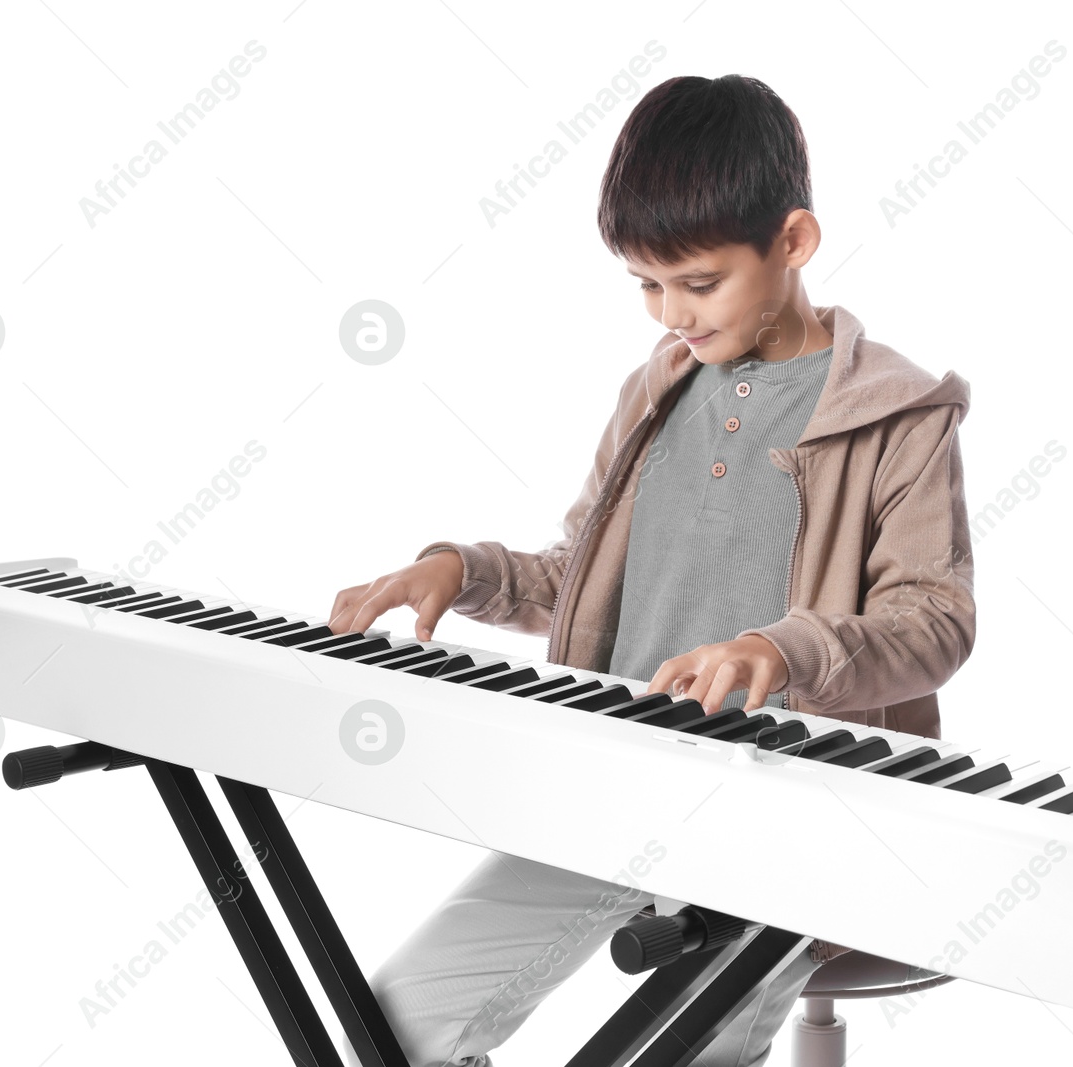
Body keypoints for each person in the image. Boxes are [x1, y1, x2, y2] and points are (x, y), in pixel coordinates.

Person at [326, 73, 976, 1067]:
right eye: (645, 283)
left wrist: (781, 647)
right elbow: (576, 574)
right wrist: (459, 570)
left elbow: (935, 619)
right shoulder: (653, 391)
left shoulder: (896, 411)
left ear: (794, 242)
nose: (668, 312)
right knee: (399, 1025)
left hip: (780, 815)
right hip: (610, 780)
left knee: (683, 1047)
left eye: (699, 281)